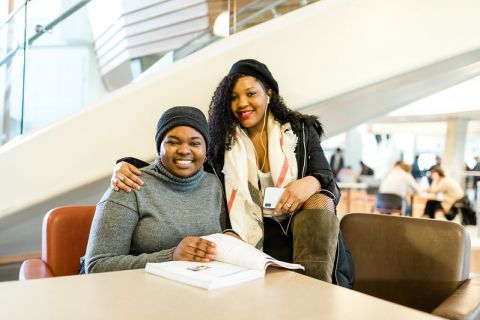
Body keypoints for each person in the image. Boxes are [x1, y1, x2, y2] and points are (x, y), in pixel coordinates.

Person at [111, 59, 354, 287]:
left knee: (320, 197)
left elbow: (327, 180)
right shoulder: (220, 143)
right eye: (234, 97)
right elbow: (182, 159)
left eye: (251, 94)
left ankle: (312, 290)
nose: (242, 104)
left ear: (268, 93)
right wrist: (123, 164)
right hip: (250, 239)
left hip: (304, 235)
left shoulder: (301, 130)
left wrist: (309, 183)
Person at [82, 106, 226, 274]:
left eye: (195, 143)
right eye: (173, 142)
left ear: (205, 150)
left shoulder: (214, 185)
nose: (184, 150)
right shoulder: (130, 184)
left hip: (198, 288)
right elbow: (97, 266)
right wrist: (171, 256)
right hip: (135, 291)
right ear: (159, 147)